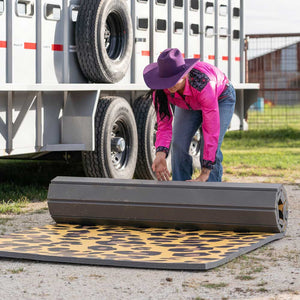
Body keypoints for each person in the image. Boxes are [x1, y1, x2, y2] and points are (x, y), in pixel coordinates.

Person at [143, 48, 236, 182]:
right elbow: (164, 125)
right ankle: (181, 189)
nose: (169, 86)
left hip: (220, 98)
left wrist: (205, 172)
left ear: (185, 74)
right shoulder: (160, 90)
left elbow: (211, 131)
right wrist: (160, 154)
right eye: (166, 81)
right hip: (188, 102)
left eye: (174, 80)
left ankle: (211, 190)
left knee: (208, 145)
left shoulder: (204, 85)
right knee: (178, 144)